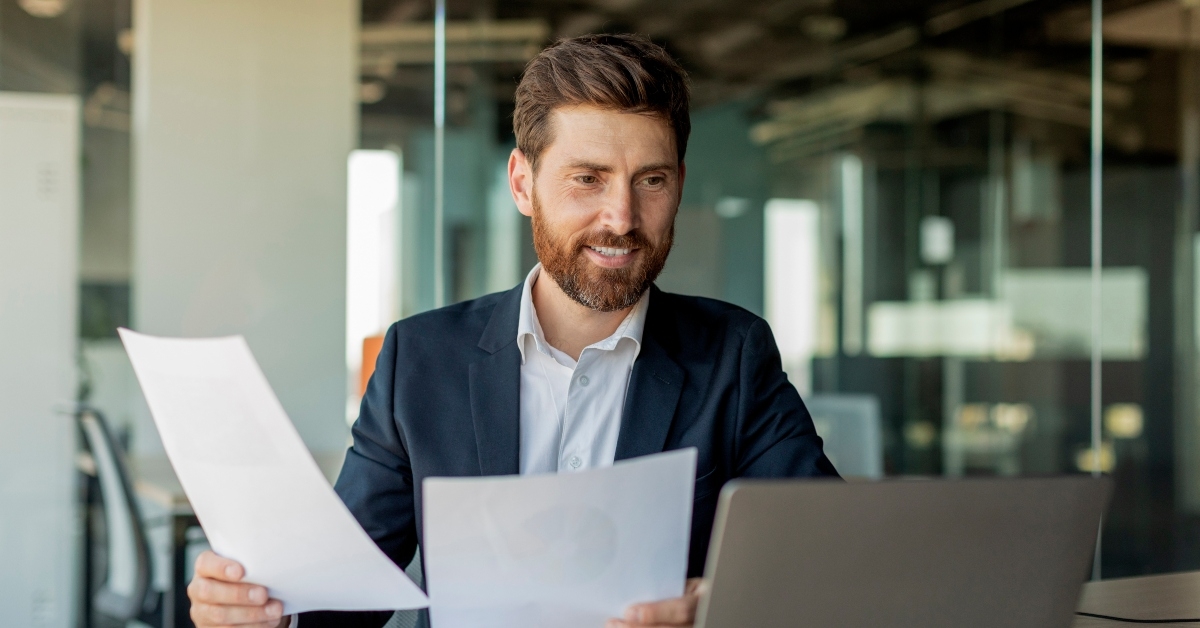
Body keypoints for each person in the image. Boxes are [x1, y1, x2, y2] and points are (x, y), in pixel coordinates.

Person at [185, 33, 839, 628]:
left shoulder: (733, 355)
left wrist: (719, 605)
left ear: (679, 184)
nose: (622, 216)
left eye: (652, 180)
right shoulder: (419, 360)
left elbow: (828, 563)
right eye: (588, 179)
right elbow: (342, 597)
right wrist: (261, 611)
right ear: (523, 183)